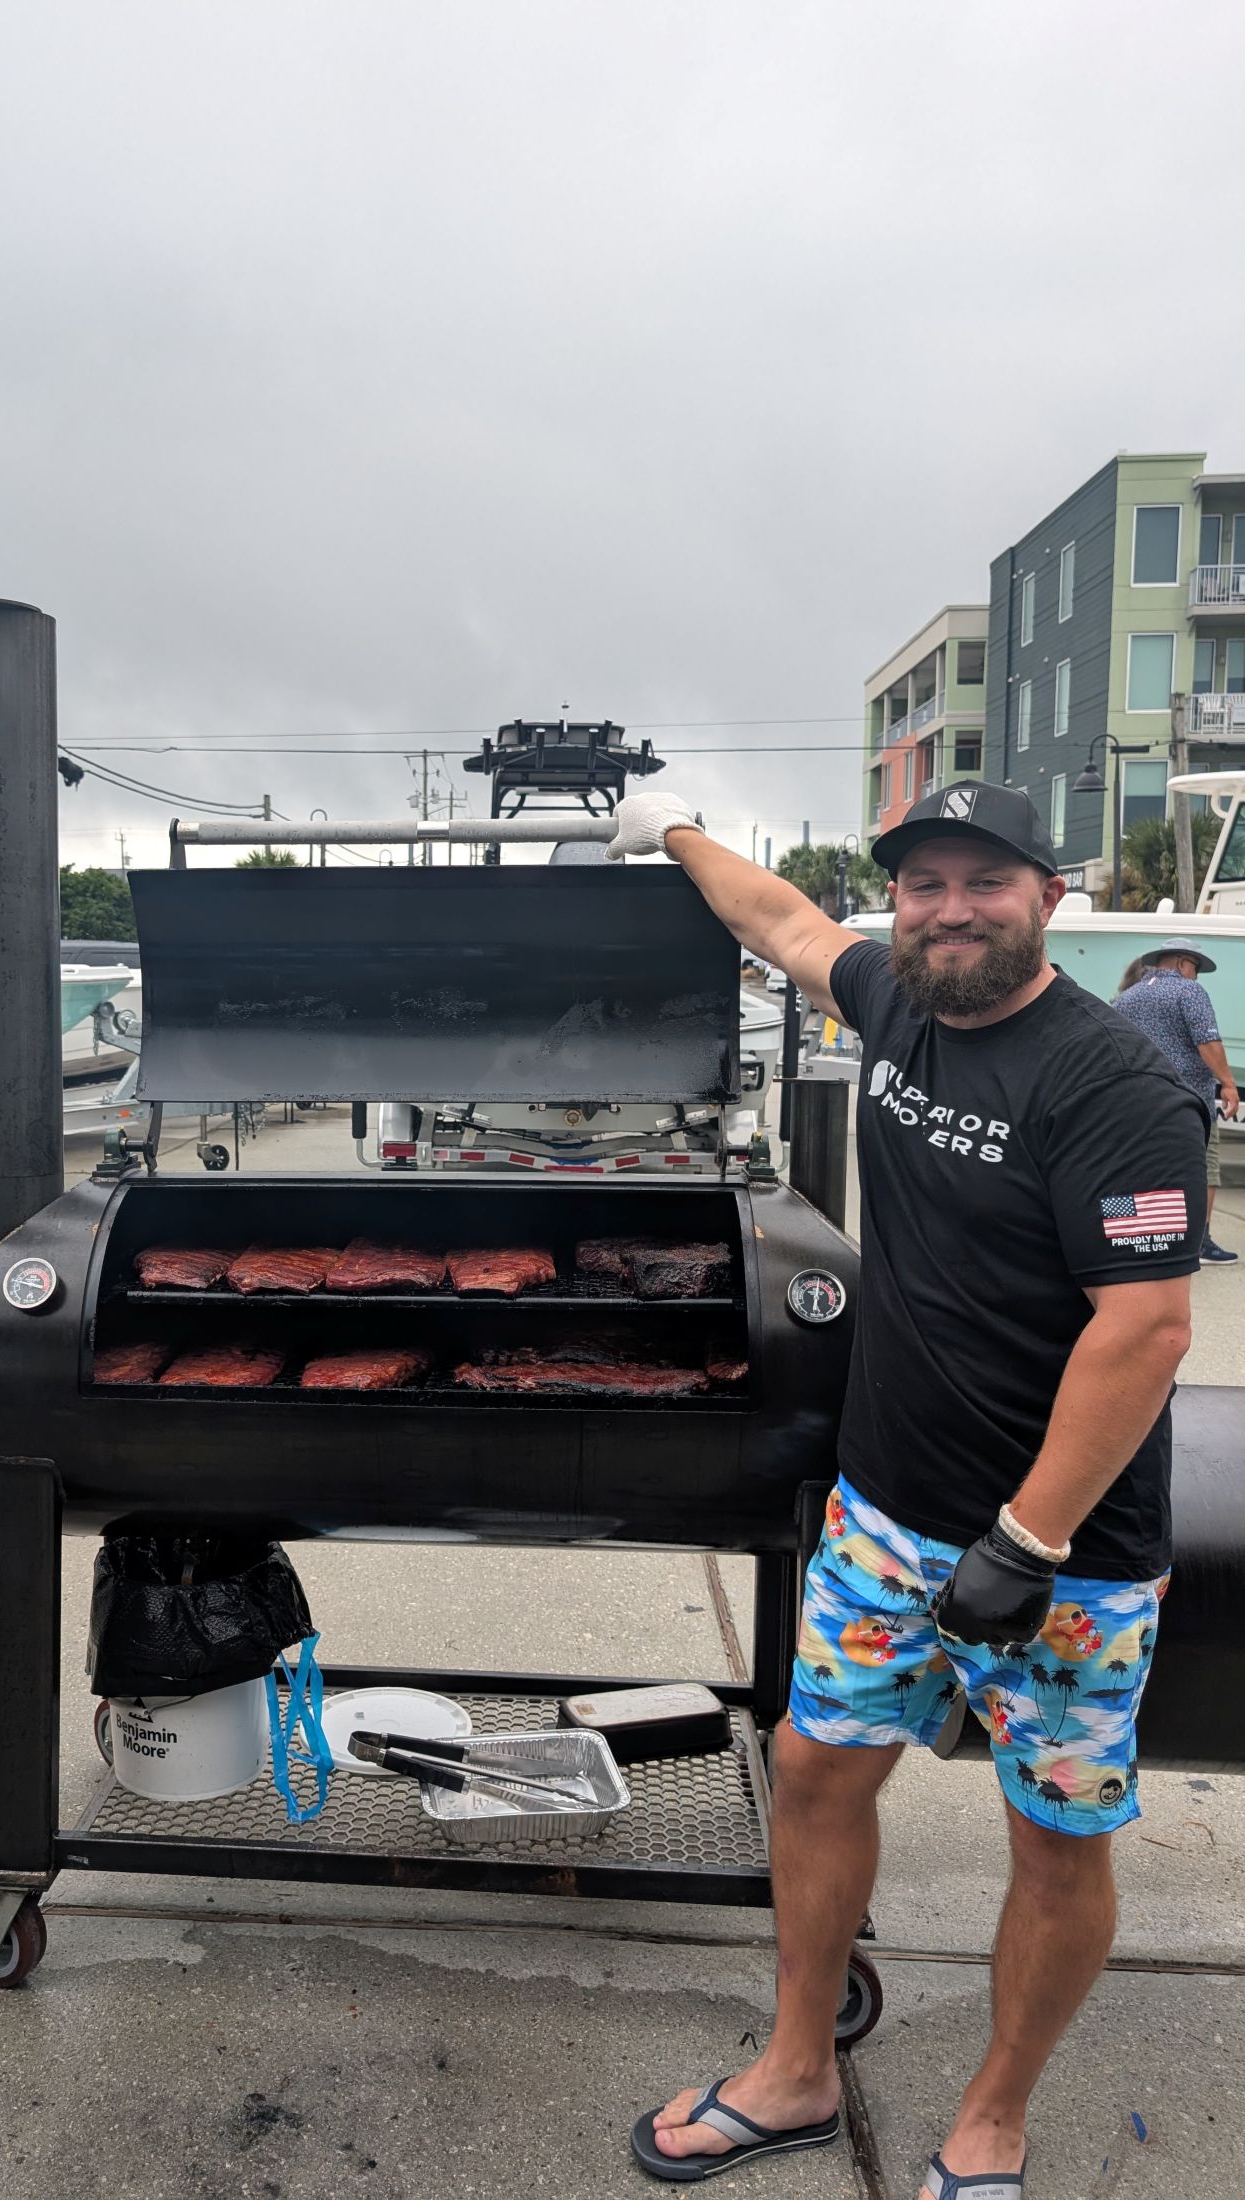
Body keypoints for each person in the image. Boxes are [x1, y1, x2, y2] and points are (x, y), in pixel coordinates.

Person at [606, 783, 1205, 2199]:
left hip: (1068, 1559)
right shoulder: (896, 1003)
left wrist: (1028, 1538)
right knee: (815, 1771)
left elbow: (1147, 1329)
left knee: (1055, 1841)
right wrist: (673, 828)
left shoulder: (1118, 1084)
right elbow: (780, 920)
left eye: (984, 881)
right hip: (883, 1523)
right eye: (924, 883)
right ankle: (797, 2068)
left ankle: (993, 2115)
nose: (949, 909)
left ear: (1048, 896)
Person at [1109, 937, 1239, 1265]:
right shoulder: (1189, 991)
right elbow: (1207, 1042)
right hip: (1188, 1102)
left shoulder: (1127, 997)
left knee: (1140, 1167)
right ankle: (1200, 1243)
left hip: (1136, 1100)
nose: (1196, 976)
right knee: (1203, 1167)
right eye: (1195, 968)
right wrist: (1228, 1083)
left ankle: (1136, 1235)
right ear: (1182, 963)